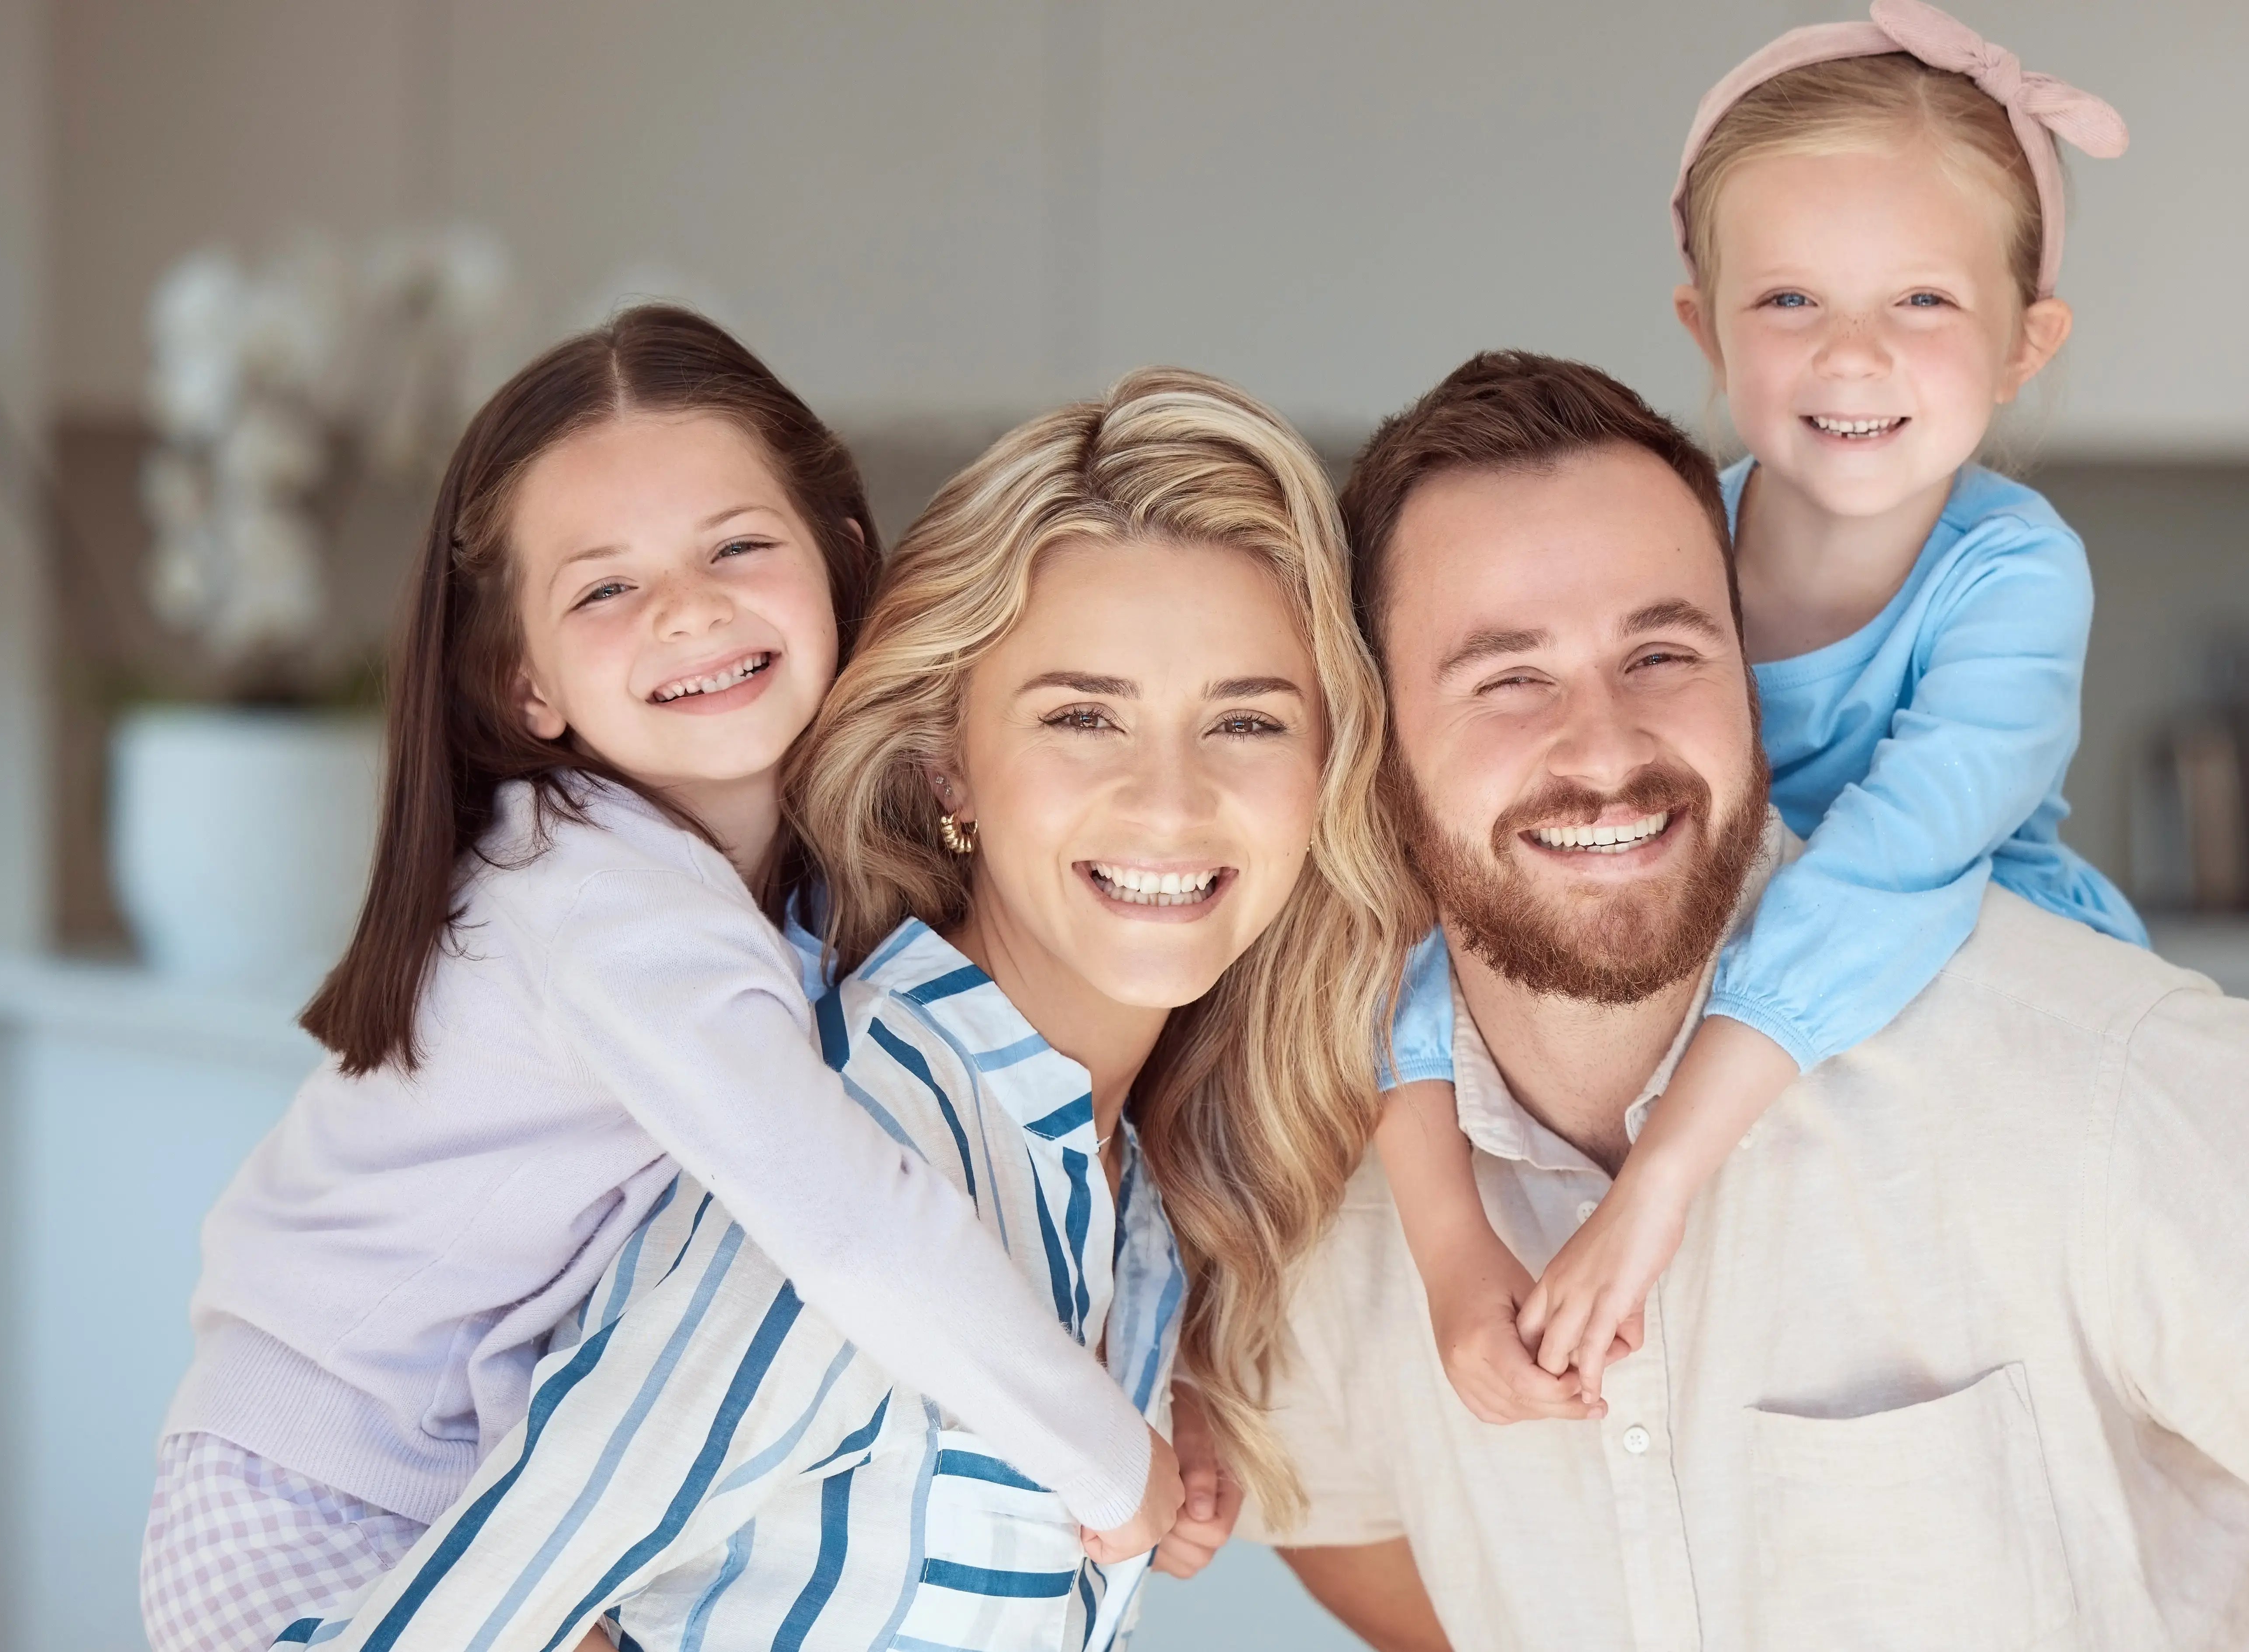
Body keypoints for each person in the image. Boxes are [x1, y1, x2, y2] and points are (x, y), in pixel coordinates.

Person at [1252, 350, 2249, 1650]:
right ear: (1376, 752)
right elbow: (1343, 1520)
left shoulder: (2102, 1086)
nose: (1607, 745)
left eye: (1663, 652)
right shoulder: (1346, 1175)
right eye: (1506, 679)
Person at [286, 367, 1419, 1649]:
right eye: (1083, 715)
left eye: (1248, 721)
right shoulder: (861, 1146)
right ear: (949, 759)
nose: (1171, 800)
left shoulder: (1131, 1180)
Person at [139, 310, 1187, 1652]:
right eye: (603, 588)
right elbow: (851, 1224)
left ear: (839, 561)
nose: (689, 609)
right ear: (527, 682)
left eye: (737, 545)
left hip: (455, 1485)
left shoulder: (775, 887)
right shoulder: (603, 903)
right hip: (318, 1511)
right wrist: (1107, 1455)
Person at [1373, 0, 2155, 1419]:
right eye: (1789, 300)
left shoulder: (2015, 576)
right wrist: (1447, 1252)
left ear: (2026, 341)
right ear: (1705, 328)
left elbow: (1892, 875)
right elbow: (1419, 922)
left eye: (1921, 300)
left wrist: (1663, 1167)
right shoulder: (1667, 564)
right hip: (1711, 1030)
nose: (1850, 357)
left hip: (1950, 1001)